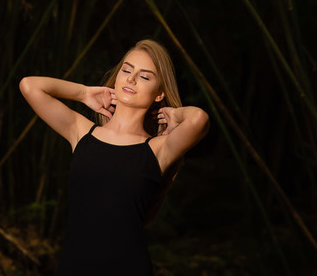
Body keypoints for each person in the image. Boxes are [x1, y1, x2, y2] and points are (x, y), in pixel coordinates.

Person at [19, 39, 210, 276]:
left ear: (159, 93)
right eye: (127, 70)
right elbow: (30, 86)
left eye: (145, 76)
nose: (131, 79)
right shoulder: (82, 132)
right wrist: (83, 93)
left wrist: (173, 113)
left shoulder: (158, 149)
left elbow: (198, 119)